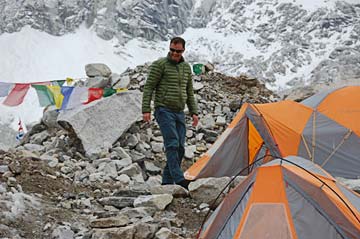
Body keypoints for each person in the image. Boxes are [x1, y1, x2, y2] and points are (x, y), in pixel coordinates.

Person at [142, 37, 199, 189]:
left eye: (178, 51)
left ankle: (167, 183)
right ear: (169, 48)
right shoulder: (160, 65)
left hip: (179, 111)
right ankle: (179, 179)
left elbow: (189, 91)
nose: (174, 53)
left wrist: (194, 111)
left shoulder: (186, 68)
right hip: (163, 109)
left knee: (180, 146)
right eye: (172, 50)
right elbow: (149, 87)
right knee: (172, 143)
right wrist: (146, 109)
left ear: (183, 51)